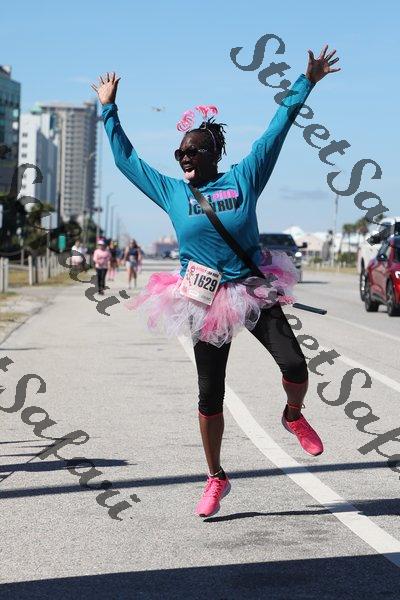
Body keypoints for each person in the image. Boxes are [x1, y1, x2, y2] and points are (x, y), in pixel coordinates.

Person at [92, 45, 340, 518]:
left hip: (251, 288)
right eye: (180, 152)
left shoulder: (244, 178)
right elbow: (127, 161)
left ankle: (292, 415)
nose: (183, 157)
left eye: (192, 151)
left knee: (295, 365)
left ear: (212, 154)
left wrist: (306, 81)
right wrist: (109, 109)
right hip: (203, 301)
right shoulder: (171, 191)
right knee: (210, 393)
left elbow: (276, 129)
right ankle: (216, 477)